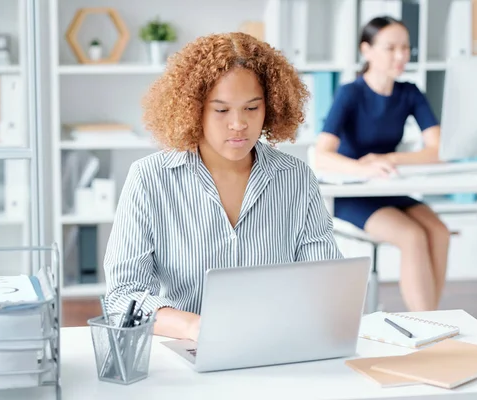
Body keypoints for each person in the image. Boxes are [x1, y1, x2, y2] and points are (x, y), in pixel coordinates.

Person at [104, 32, 342, 342]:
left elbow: (326, 280)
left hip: (277, 347)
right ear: (193, 110)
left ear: (269, 107)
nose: (239, 124)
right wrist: (192, 327)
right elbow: (123, 296)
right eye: (221, 110)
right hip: (185, 351)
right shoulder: (149, 179)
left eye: (252, 108)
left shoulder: (296, 178)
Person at [314, 16, 449, 312]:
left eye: (405, 48)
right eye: (391, 48)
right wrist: (363, 168)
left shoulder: (409, 92)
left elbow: (437, 149)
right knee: (412, 236)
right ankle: (427, 324)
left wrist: (389, 159)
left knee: (438, 232)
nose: (401, 56)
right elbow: (321, 154)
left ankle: (433, 320)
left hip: (389, 187)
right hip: (354, 194)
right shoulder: (351, 93)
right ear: (367, 50)